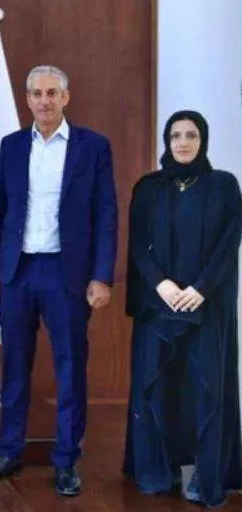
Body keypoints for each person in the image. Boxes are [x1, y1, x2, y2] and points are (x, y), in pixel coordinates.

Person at [0, 65, 118, 497]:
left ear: (66, 97)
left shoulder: (92, 147)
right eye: (36, 93)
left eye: (52, 93)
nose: (43, 101)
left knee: (70, 368)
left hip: (67, 273)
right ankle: (9, 451)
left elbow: (106, 214)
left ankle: (65, 460)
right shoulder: (13, 145)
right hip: (17, 272)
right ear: (27, 99)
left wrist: (101, 275)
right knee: (15, 368)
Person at [123, 110, 242, 508]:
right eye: (176, 135)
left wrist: (201, 289)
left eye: (191, 135)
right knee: (160, 387)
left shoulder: (224, 186)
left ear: (203, 139)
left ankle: (205, 475)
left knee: (202, 389)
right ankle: (160, 469)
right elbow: (139, 244)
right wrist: (162, 285)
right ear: (166, 140)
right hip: (161, 307)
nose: (183, 142)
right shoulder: (150, 187)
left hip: (206, 308)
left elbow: (228, 245)